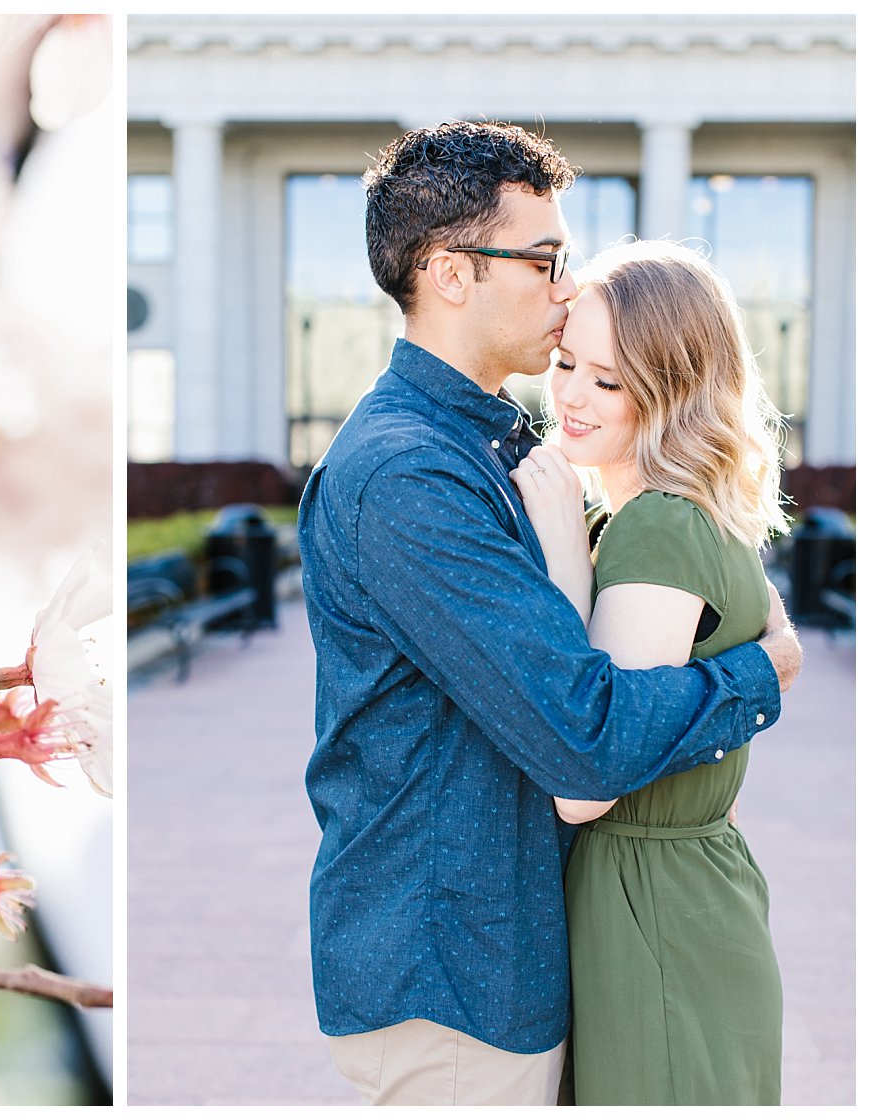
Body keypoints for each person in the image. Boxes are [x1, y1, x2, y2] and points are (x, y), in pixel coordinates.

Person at [298, 120, 802, 1107]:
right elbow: (583, 743)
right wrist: (753, 675)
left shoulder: (486, 447)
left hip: (496, 957)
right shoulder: (411, 475)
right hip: (455, 980)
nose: (564, 286)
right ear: (451, 274)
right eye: (541, 259)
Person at [510, 240, 787, 1104]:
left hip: (649, 915)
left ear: (673, 389)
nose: (569, 397)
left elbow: (583, 781)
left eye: (609, 380)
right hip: (693, 893)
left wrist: (563, 553)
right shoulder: (699, 516)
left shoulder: (656, 529)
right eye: (564, 363)